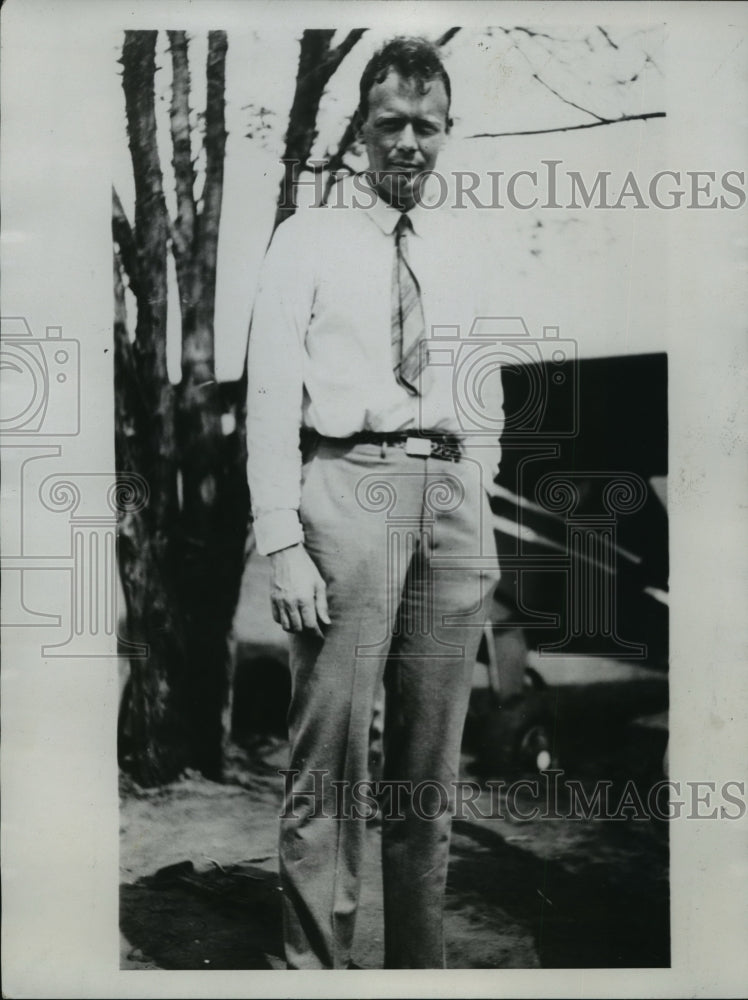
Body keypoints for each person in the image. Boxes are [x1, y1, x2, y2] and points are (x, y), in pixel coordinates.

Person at [247, 36, 503, 969]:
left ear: (447, 133)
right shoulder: (306, 237)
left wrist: (480, 489)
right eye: (389, 124)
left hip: (451, 501)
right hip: (346, 489)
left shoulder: (464, 241)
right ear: (360, 127)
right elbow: (270, 391)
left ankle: (417, 974)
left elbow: (482, 379)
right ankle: (317, 972)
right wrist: (282, 538)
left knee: (429, 773)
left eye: (425, 128)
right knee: (334, 764)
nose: (407, 144)